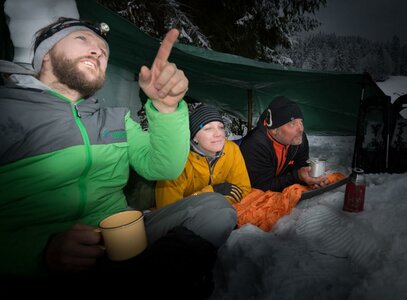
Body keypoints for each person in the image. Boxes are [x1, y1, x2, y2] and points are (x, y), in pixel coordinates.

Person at [0, 17, 236, 296]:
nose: (98, 51)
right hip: (38, 258)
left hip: (123, 238)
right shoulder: (7, 112)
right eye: (82, 39)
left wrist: (166, 108)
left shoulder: (115, 119)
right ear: (46, 54)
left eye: (103, 50)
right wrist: (38, 253)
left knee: (215, 210)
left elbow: (164, 167)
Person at [155, 104, 252, 208]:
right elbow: (168, 210)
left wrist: (218, 203)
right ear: (194, 137)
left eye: (221, 127)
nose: (218, 134)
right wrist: (212, 192)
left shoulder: (232, 150)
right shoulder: (176, 162)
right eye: (208, 128)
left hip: (221, 210)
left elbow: (243, 189)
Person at [239, 95, 329, 192]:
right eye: (292, 123)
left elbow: (301, 167)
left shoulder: (298, 140)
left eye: (301, 122)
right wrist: (298, 176)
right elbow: (261, 187)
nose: (301, 129)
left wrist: (310, 178)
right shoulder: (255, 145)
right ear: (274, 130)